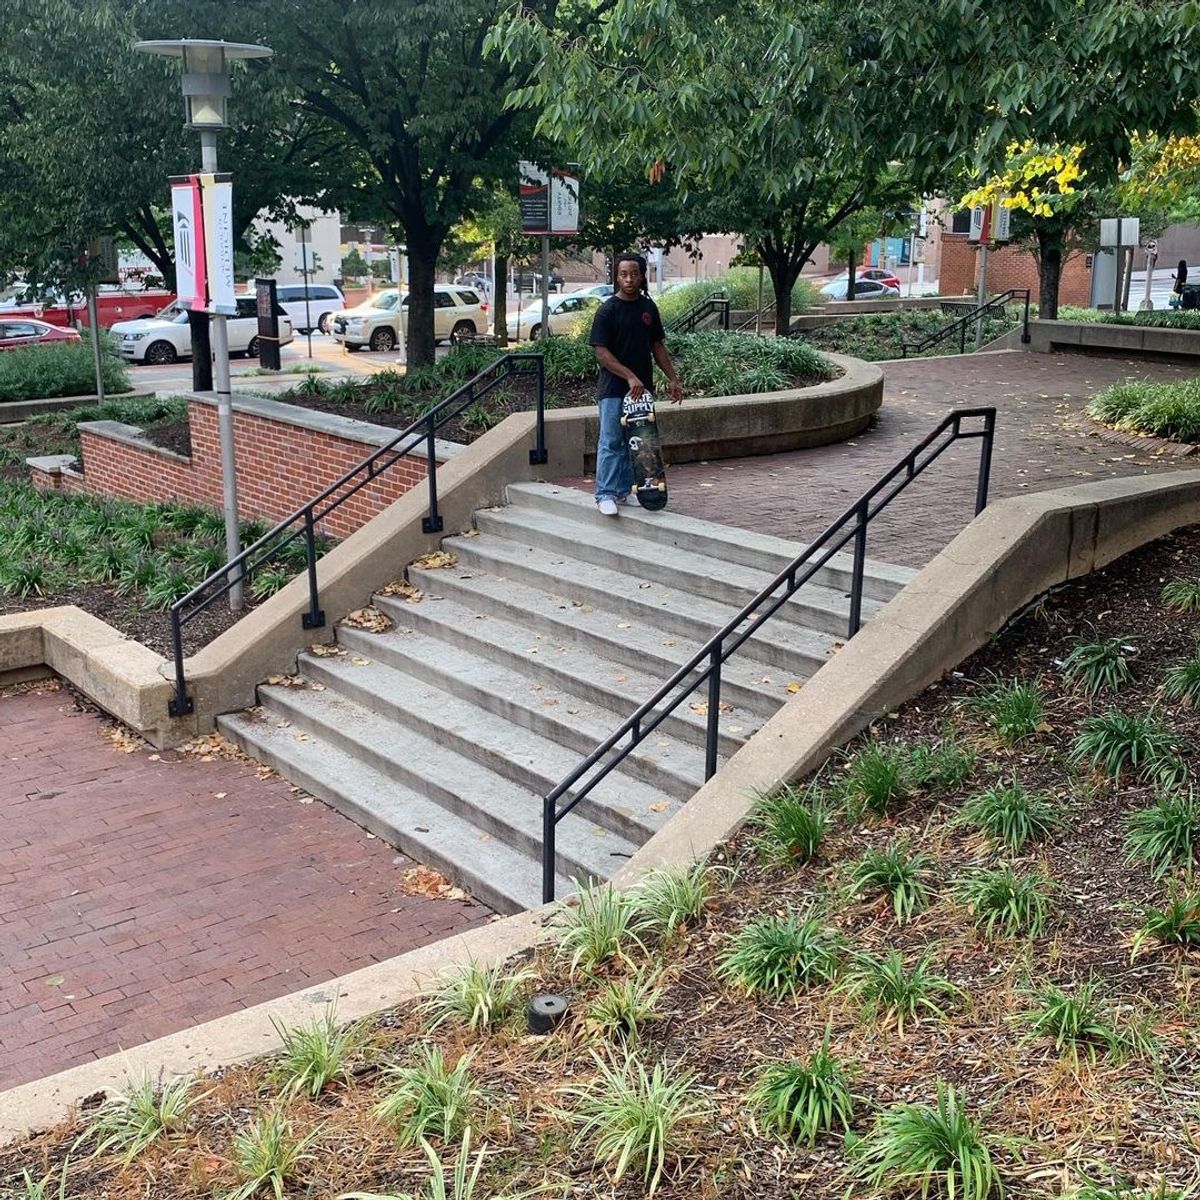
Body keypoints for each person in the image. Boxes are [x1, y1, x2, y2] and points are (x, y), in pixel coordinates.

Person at [587, 252, 684, 515]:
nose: (629, 279)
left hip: (642, 391)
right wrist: (628, 375)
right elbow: (601, 352)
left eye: (634, 274)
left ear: (642, 276)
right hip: (614, 389)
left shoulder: (648, 308)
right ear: (617, 277)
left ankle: (621, 491)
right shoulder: (607, 310)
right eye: (623, 274)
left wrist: (673, 379)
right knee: (611, 441)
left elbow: (657, 346)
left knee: (637, 441)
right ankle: (604, 494)